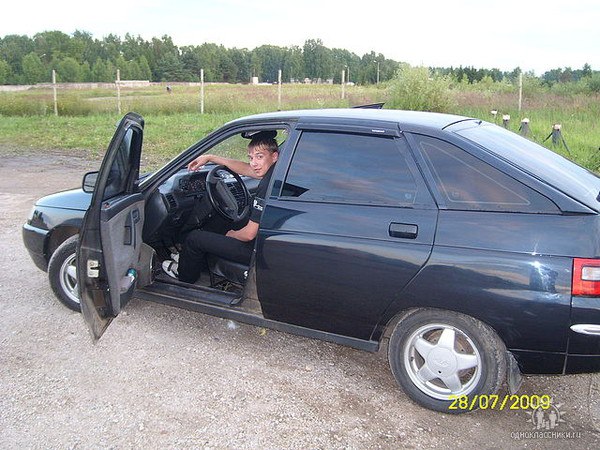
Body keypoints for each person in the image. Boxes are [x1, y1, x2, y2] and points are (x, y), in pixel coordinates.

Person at [162, 131, 279, 284]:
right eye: (251, 158)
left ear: (274, 156)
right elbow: (247, 169)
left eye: (259, 157)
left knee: (194, 238)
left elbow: (249, 234)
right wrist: (211, 158)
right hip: (268, 242)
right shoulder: (277, 173)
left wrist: (232, 234)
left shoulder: (267, 186)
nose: (253, 163)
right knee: (221, 222)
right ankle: (189, 259)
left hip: (256, 249)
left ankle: (184, 275)